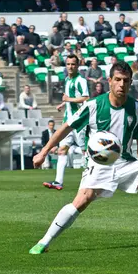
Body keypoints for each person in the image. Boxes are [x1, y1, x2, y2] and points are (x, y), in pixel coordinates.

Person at [30, 61, 138, 255]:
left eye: (125, 81)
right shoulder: (93, 106)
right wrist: (43, 152)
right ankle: (45, 241)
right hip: (98, 166)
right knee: (81, 200)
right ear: (109, 81)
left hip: (126, 164)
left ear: (130, 82)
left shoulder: (136, 109)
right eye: (117, 80)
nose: (121, 85)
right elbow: (66, 127)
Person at [44, 55, 90, 190]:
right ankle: (58, 182)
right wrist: (63, 104)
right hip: (68, 121)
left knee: (85, 152)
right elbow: (69, 98)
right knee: (62, 150)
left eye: (73, 64)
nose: (70, 67)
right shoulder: (67, 80)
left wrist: (68, 99)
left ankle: (90, 182)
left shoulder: (81, 80)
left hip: (79, 122)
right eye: (68, 64)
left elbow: (85, 98)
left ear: (77, 66)